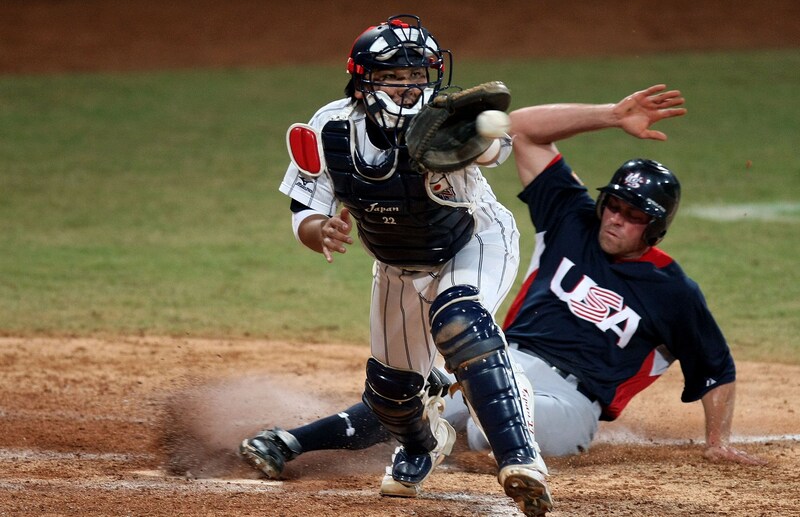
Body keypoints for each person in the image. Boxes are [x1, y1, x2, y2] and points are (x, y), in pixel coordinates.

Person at [239, 83, 765, 500]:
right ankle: (291, 442)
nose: (616, 219)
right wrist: (609, 114)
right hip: (502, 360)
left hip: (570, 402)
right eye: (614, 204)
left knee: (483, 419)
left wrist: (717, 442)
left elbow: (715, 366)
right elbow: (523, 131)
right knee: (412, 394)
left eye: (634, 216)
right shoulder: (572, 221)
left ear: (654, 228)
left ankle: (472, 439)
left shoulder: (673, 290)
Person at [240, 14, 552, 516]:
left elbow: (492, 148)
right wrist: (318, 231)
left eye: (417, 76)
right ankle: (422, 444)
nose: (409, 87)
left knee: (461, 320)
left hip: (474, 241)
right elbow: (305, 209)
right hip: (397, 265)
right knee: (391, 395)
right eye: (394, 76)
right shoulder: (330, 128)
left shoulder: (449, 121)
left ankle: (521, 461)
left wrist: (479, 135)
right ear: (363, 80)